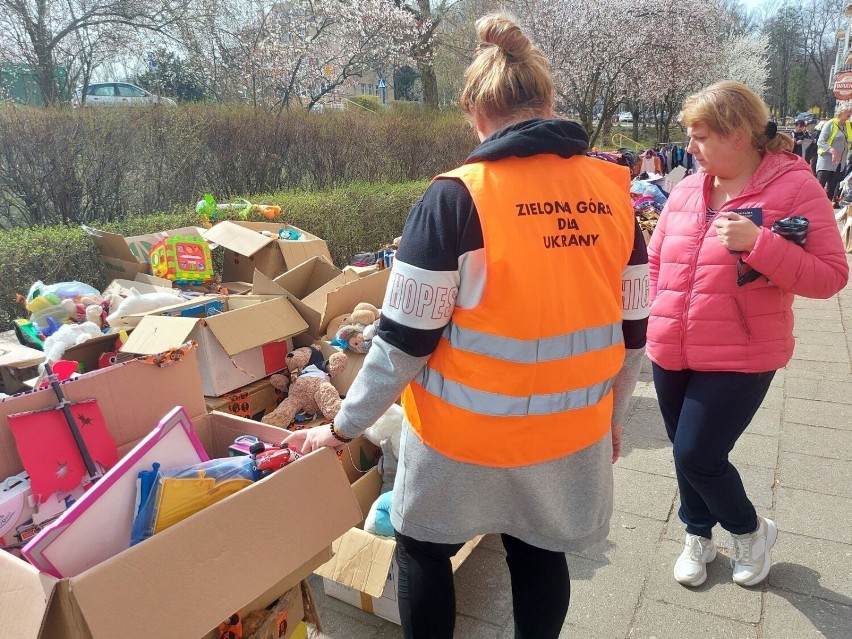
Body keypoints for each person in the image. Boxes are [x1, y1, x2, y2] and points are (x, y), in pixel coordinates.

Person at [284, 13, 649, 639]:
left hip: (462, 444)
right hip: (568, 436)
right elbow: (634, 333)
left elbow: (401, 343)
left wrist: (342, 428)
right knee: (539, 553)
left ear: (476, 115)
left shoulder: (456, 199)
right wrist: (612, 419)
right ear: (549, 101)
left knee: (423, 550)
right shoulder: (616, 195)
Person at [647, 81, 848, 589]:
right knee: (684, 453)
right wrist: (648, 317)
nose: (689, 148)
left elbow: (830, 276)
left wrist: (760, 245)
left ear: (737, 134)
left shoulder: (794, 187)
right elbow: (655, 259)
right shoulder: (691, 186)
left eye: (699, 137)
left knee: (697, 453)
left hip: (742, 351)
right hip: (671, 345)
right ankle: (698, 534)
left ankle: (750, 530)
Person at [815, 102, 852, 205]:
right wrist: (832, 150)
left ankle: (825, 209)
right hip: (826, 161)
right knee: (819, 186)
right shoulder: (830, 123)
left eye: (851, 111)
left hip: (839, 163)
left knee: (831, 189)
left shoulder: (848, 125)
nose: (850, 113)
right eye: (847, 111)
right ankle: (813, 207)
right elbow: (820, 142)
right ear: (841, 112)